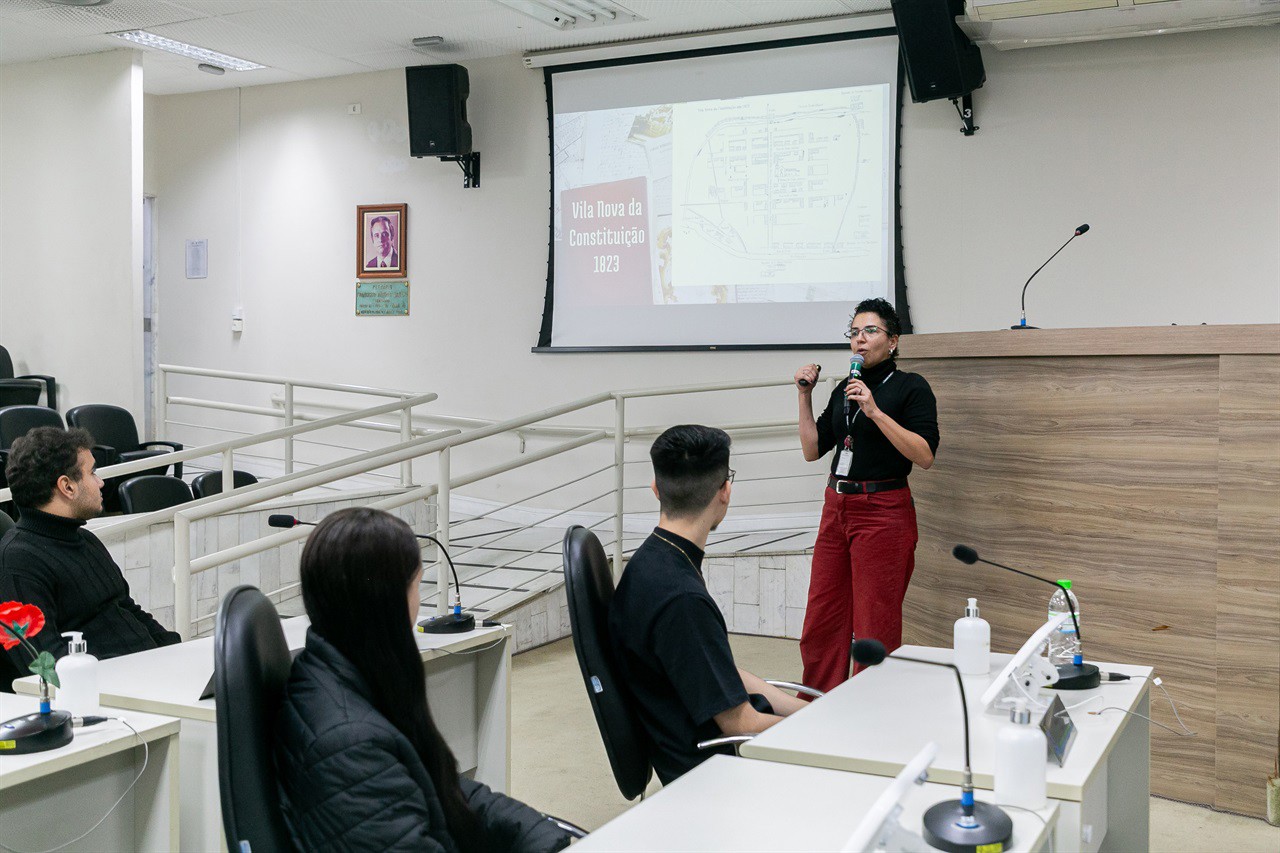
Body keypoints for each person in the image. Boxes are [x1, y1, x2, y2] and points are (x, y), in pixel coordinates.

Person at [275, 507, 571, 853]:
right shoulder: (350, 745)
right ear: (386, 602)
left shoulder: (340, 672)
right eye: (417, 585)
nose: (420, 603)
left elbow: (445, 788)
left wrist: (542, 836)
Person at [608, 424, 807, 785]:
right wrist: (825, 733)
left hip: (710, 748)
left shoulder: (652, 563)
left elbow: (719, 675)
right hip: (716, 772)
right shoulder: (681, 600)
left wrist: (809, 712)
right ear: (725, 492)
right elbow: (743, 724)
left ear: (656, 489)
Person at [793, 297, 939, 694]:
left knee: (875, 624)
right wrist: (804, 396)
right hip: (836, 506)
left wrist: (874, 411)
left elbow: (924, 455)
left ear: (893, 341)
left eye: (870, 331)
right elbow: (812, 449)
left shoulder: (911, 387)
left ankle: (872, 707)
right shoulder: (844, 388)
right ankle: (813, 705)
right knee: (822, 619)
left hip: (883, 511)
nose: (860, 340)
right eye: (854, 332)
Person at [0, 427, 180, 685]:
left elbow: (128, 610)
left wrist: (176, 653)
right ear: (67, 486)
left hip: (149, 676)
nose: (101, 482)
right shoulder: (17, 562)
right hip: (110, 695)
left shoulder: (85, 539)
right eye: (92, 473)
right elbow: (43, 665)